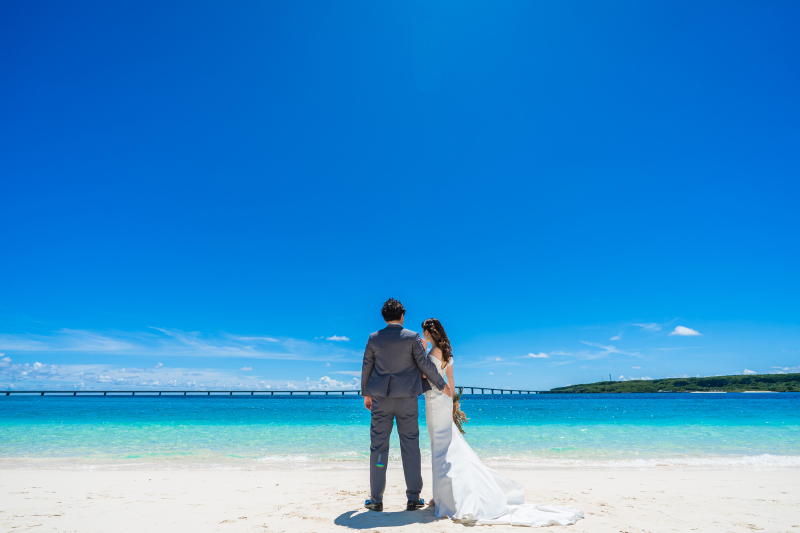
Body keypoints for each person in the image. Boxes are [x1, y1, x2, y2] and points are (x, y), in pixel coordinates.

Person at [420, 318, 583, 527]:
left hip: (434, 401)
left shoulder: (431, 353)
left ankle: (441, 496)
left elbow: (427, 375)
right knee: (448, 446)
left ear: (428, 333)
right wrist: (453, 403)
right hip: (444, 400)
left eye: (423, 332)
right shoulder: (448, 354)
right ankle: (441, 495)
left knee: (438, 447)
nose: (422, 334)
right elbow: (450, 381)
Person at [360, 298, 452, 512]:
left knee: (379, 448)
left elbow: (367, 367)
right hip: (408, 400)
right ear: (402, 316)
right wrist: (442, 385)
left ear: (384, 317)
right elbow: (424, 364)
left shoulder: (374, 338)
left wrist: (367, 394)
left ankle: (376, 499)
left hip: (381, 400)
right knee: (410, 447)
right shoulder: (412, 337)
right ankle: (413, 498)